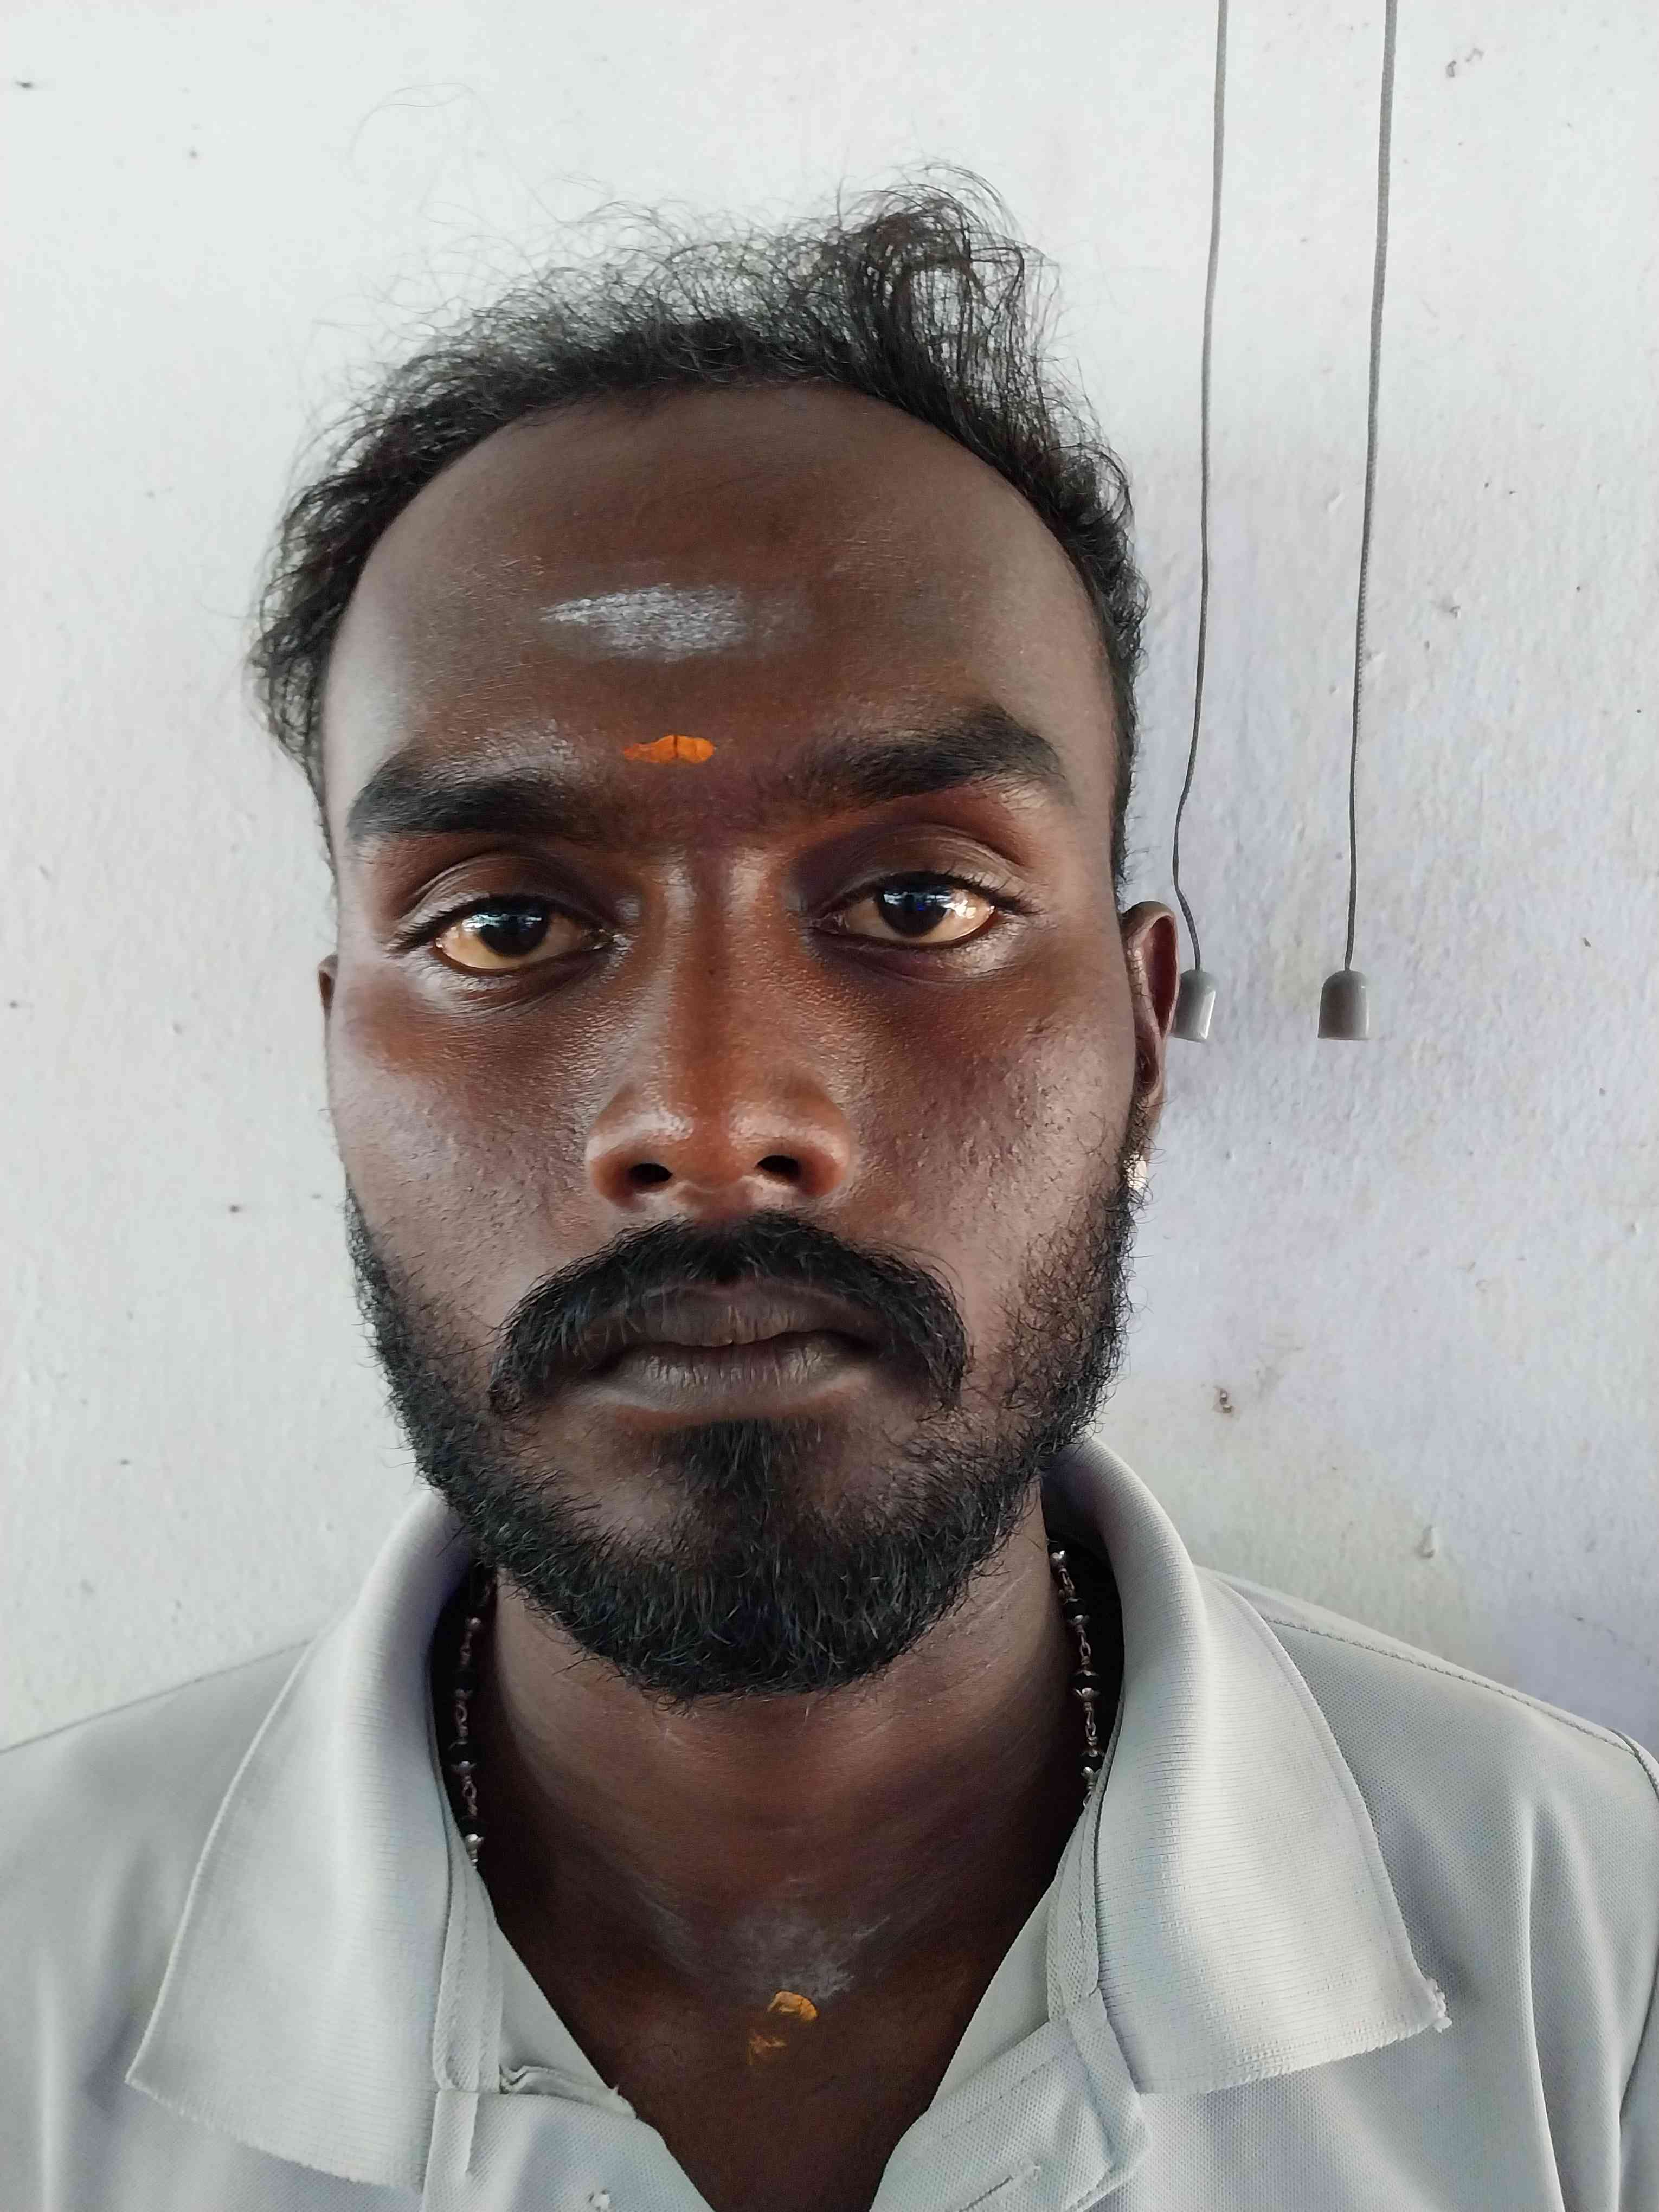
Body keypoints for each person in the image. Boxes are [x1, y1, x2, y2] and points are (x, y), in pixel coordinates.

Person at [2, 179, 1653, 2212]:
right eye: (506, 925)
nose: (710, 1122)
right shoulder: (29, 1980)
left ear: (1142, 1036)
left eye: (919, 903)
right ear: (341, 1059)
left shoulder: (1601, 1959)